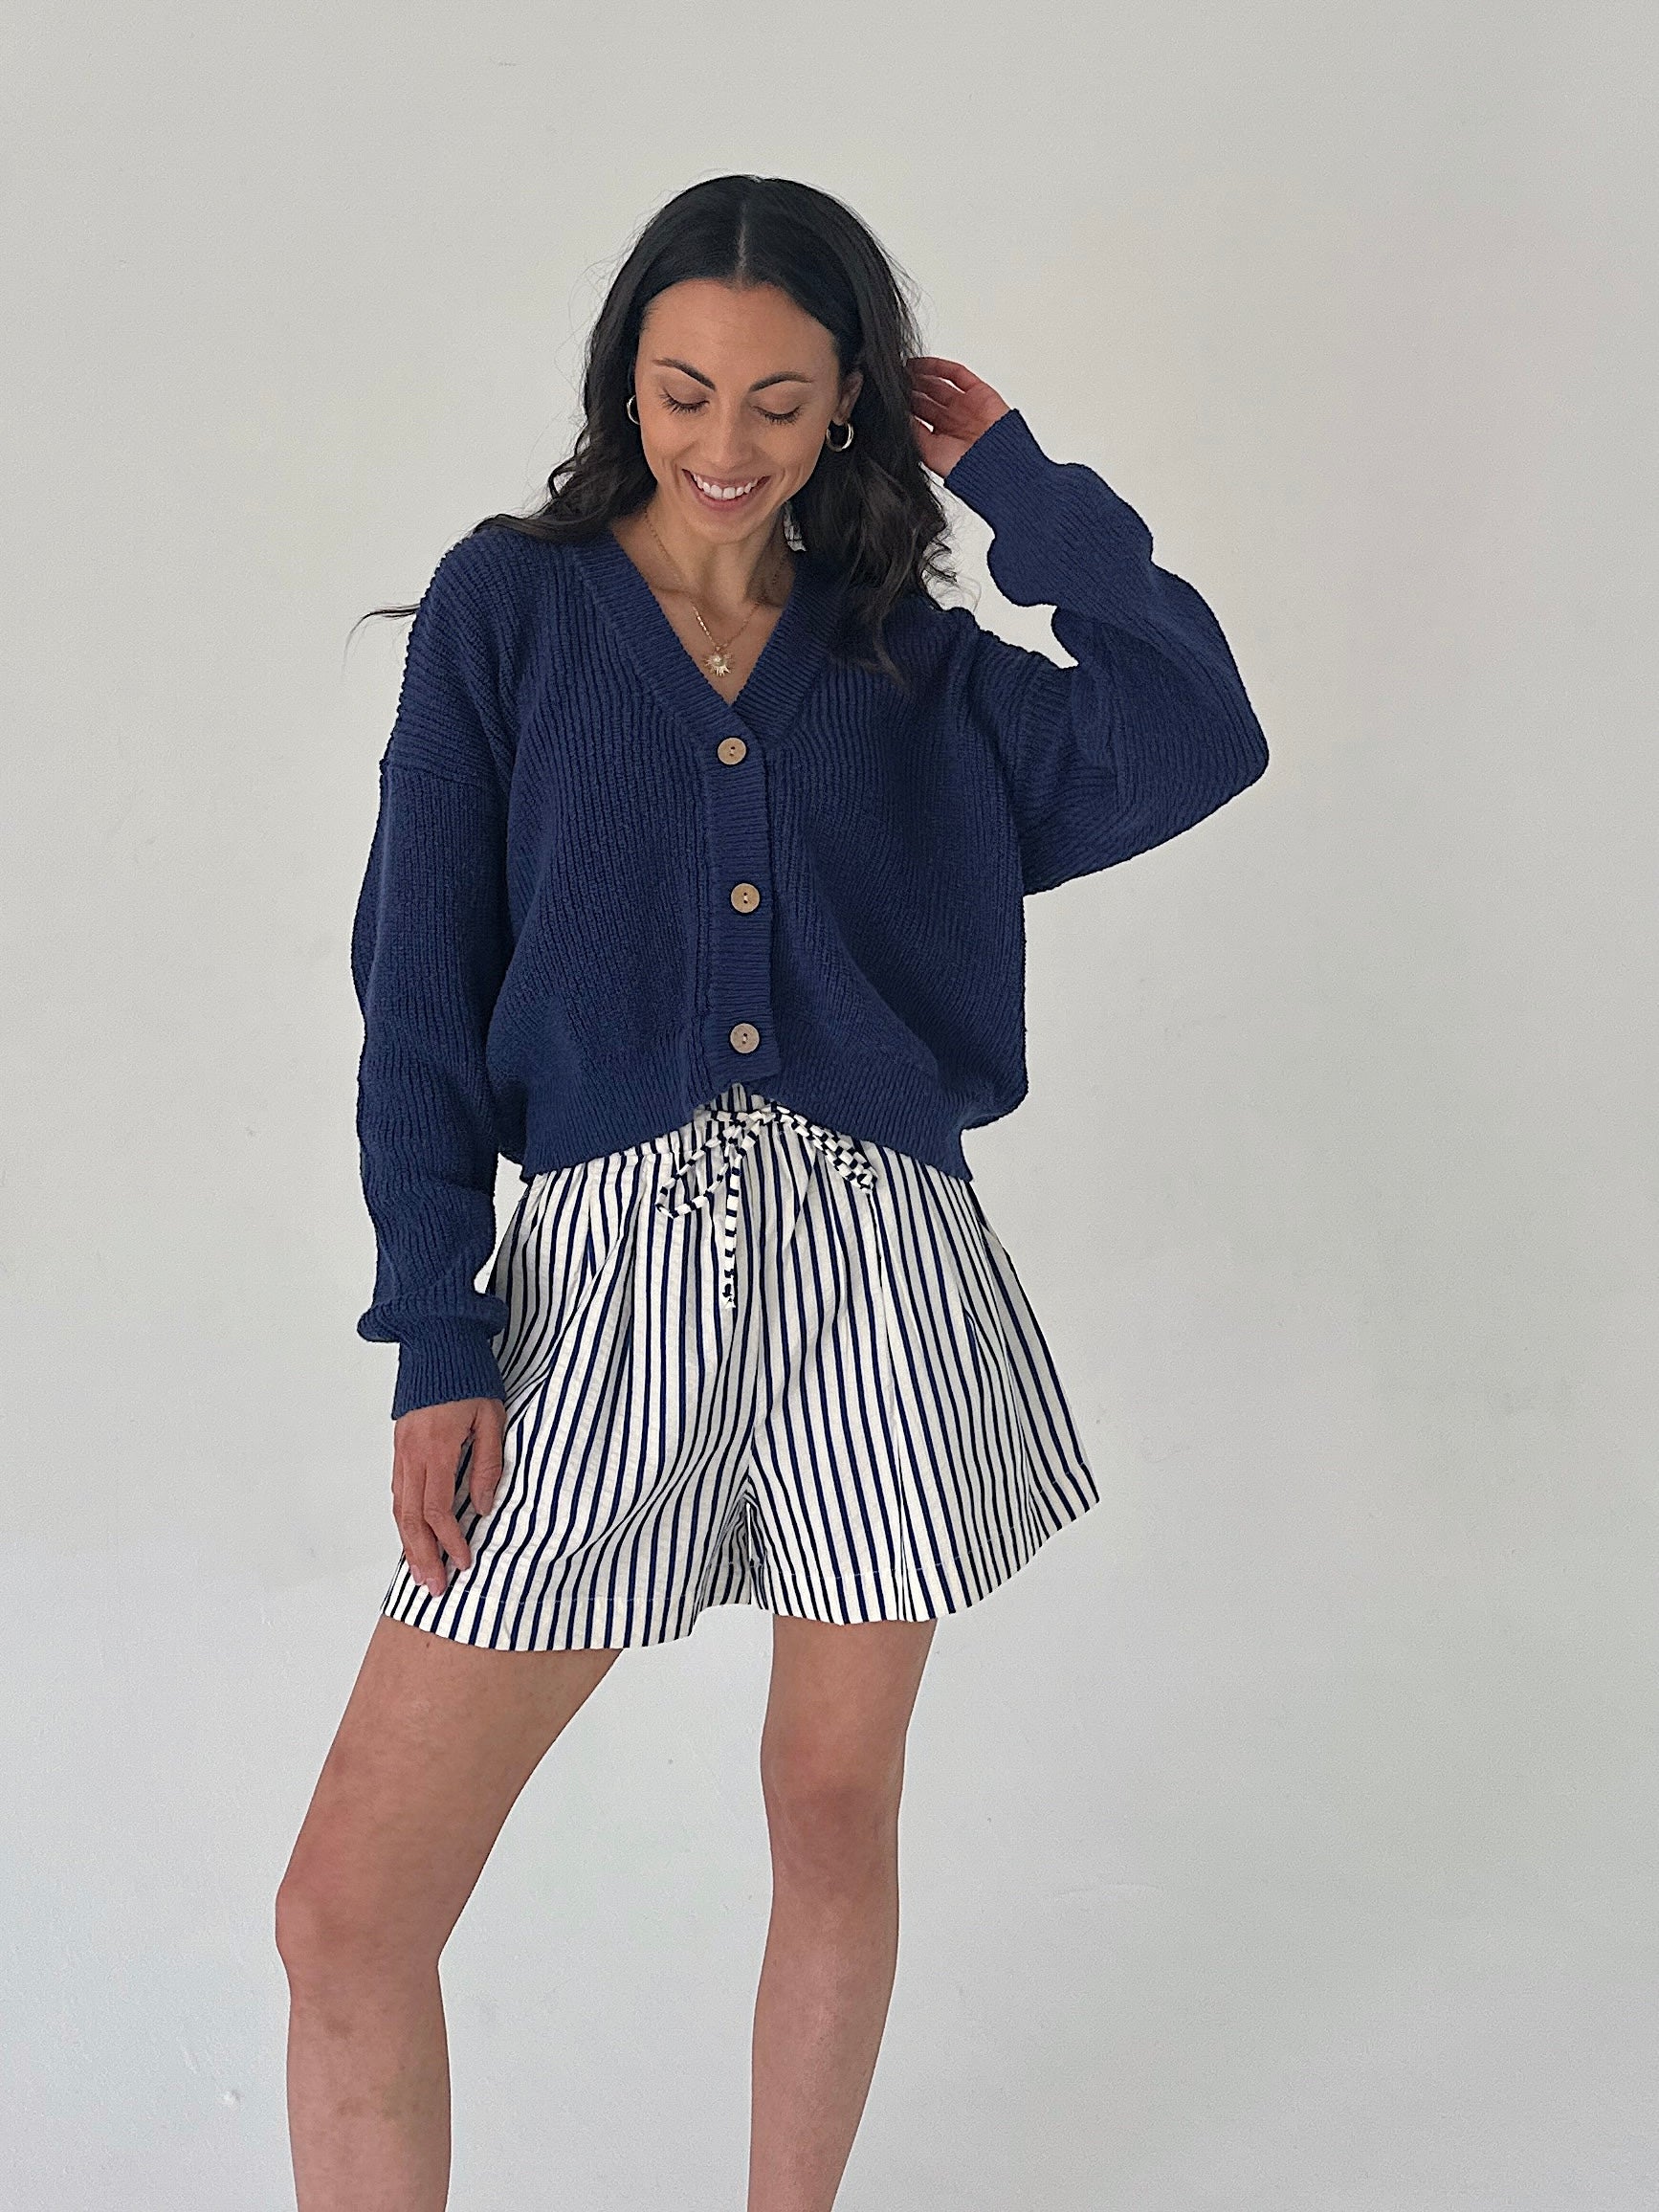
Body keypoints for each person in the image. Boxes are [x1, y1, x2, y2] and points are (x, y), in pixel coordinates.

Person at [276, 172, 1269, 2211]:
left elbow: (1195, 724)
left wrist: (1022, 481)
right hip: (597, 1292)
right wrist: (440, 1329)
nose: (723, 448)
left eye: (783, 404)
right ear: (624, 380)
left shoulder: (914, 662)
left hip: (878, 1283)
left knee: (830, 1808)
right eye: (682, 392)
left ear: (853, 417)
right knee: (345, 1916)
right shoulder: (513, 612)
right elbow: (418, 1001)